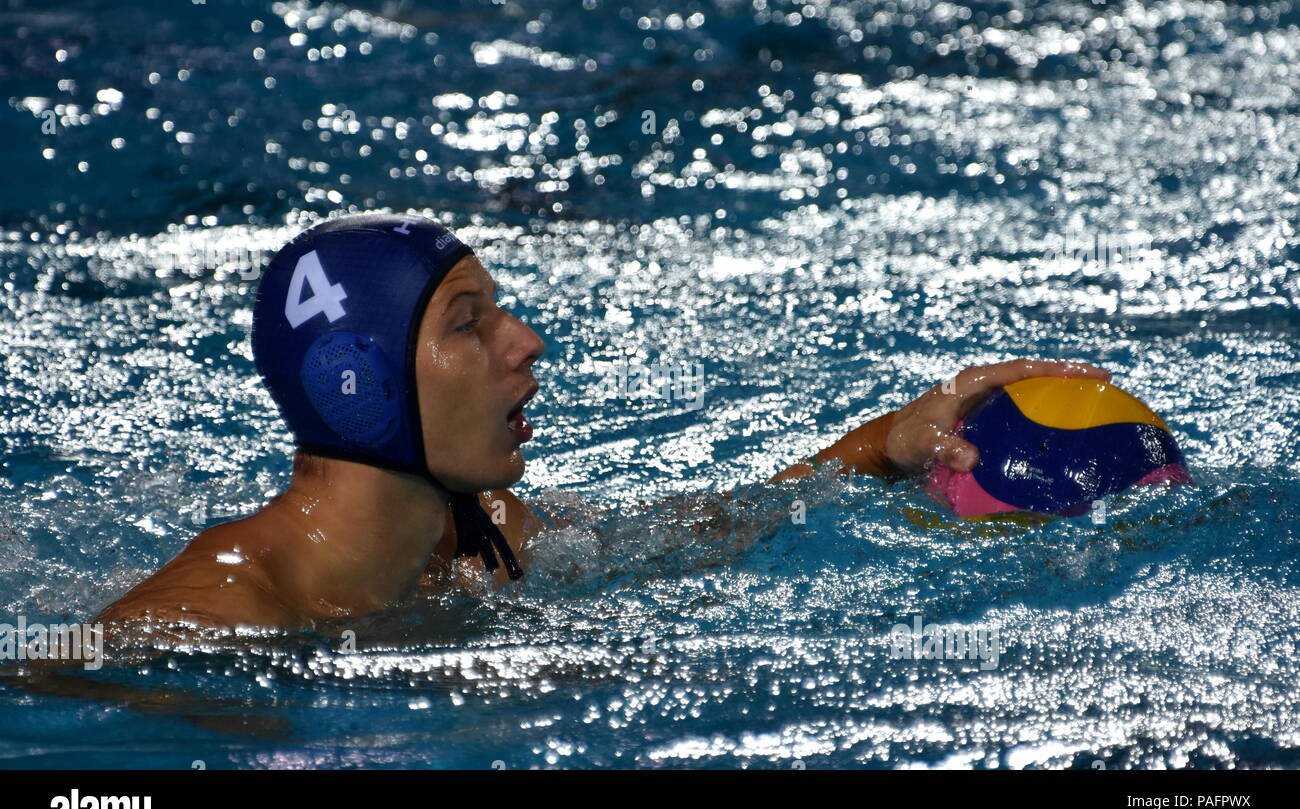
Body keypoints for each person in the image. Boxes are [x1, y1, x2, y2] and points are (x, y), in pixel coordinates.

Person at [94, 213, 1112, 638]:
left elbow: (707, 529)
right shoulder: (211, 618)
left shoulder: (483, 532)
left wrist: (883, 445)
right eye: (468, 321)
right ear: (357, 387)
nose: (524, 339)